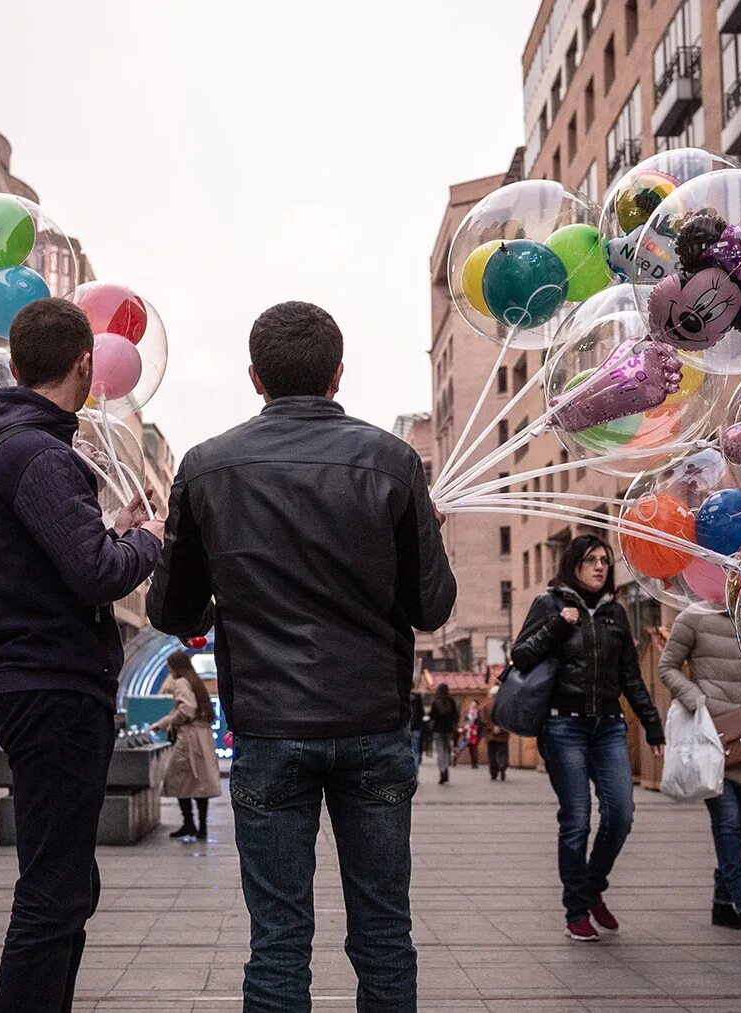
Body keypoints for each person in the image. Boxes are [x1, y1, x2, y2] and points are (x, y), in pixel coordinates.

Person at [149, 300, 455, 1012]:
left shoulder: (206, 466)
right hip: (373, 724)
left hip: (267, 726)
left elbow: (173, 612)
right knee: (384, 934)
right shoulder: (392, 460)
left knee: (278, 942)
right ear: (337, 373)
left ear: (255, 377)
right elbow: (432, 608)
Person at [0, 298, 162, 1012]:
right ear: (84, 362)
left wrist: (112, 528)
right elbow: (96, 573)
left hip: (35, 682)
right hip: (56, 689)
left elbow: (59, 559)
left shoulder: (12, 449)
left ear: (15, 365)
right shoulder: (38, 451)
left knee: (65, 885)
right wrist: (150, 541)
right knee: (52, 893)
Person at [510, 534, 664, 943]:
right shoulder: (549, 604)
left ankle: (592, 886)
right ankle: (576, 909)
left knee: (621, 814)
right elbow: (520, 655)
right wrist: (559, 626)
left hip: (609, 726)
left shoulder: (615, 612)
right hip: (564, 727)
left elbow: (630, 675)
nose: (600, 567)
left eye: (605, 560)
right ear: (573, 564)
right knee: (577, 819)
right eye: (591, 560)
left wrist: (652, 724)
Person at [658, 606, 741, 940]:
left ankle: (722, 903)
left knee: (740, 828)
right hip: (712, 734)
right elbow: (667, 667)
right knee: (726, 824)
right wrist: (696, 698)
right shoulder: (692, 618)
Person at [149, 653, 221, 844]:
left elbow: (185, 708)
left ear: (176, 667)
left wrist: (171, 723)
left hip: (189, 739)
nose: (170, 670)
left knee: (179, 780)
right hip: (201, 737)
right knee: (200, 784)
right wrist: (162, 723)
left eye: (170, 666)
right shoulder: (194, 681)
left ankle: (189, 823)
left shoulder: (181, 682)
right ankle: (201, 827)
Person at [428, 684, 459, 786]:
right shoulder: (451, 701)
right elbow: (455, 715)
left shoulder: (435, 702)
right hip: (448, 729)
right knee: (446, 751)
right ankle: (446, 768)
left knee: (440, 751)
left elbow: (432, 716)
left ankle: (441, 771)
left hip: (437, 729)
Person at [481, 691, 510, 782]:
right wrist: (501, 728)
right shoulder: (505, 706)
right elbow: (508, 719)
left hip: (490, 735)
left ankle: (493, 773)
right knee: (503, 752)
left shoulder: (486, 706)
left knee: (492, 754)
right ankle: (502, 767)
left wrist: (492, 727)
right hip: (503, 735)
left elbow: (483, 719)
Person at [407, 688, 425, 770]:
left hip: (406, 727)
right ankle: (415, 773)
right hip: (417, 727)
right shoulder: (418, 698)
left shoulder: (403, 696)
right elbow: (422, 713)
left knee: (405, 751)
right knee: (416, 751)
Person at [462, 700, 482, 768]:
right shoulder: (467, 712)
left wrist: (477, 728)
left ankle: (475, 763)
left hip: (475, 732)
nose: (473, 706)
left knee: (474, 747)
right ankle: (455, 757)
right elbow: (464, 720)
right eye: (472, 705)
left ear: (477, 706)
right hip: (467, 732)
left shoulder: (479, 713)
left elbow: (480, 722)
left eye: (474, 705)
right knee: (468, 747)